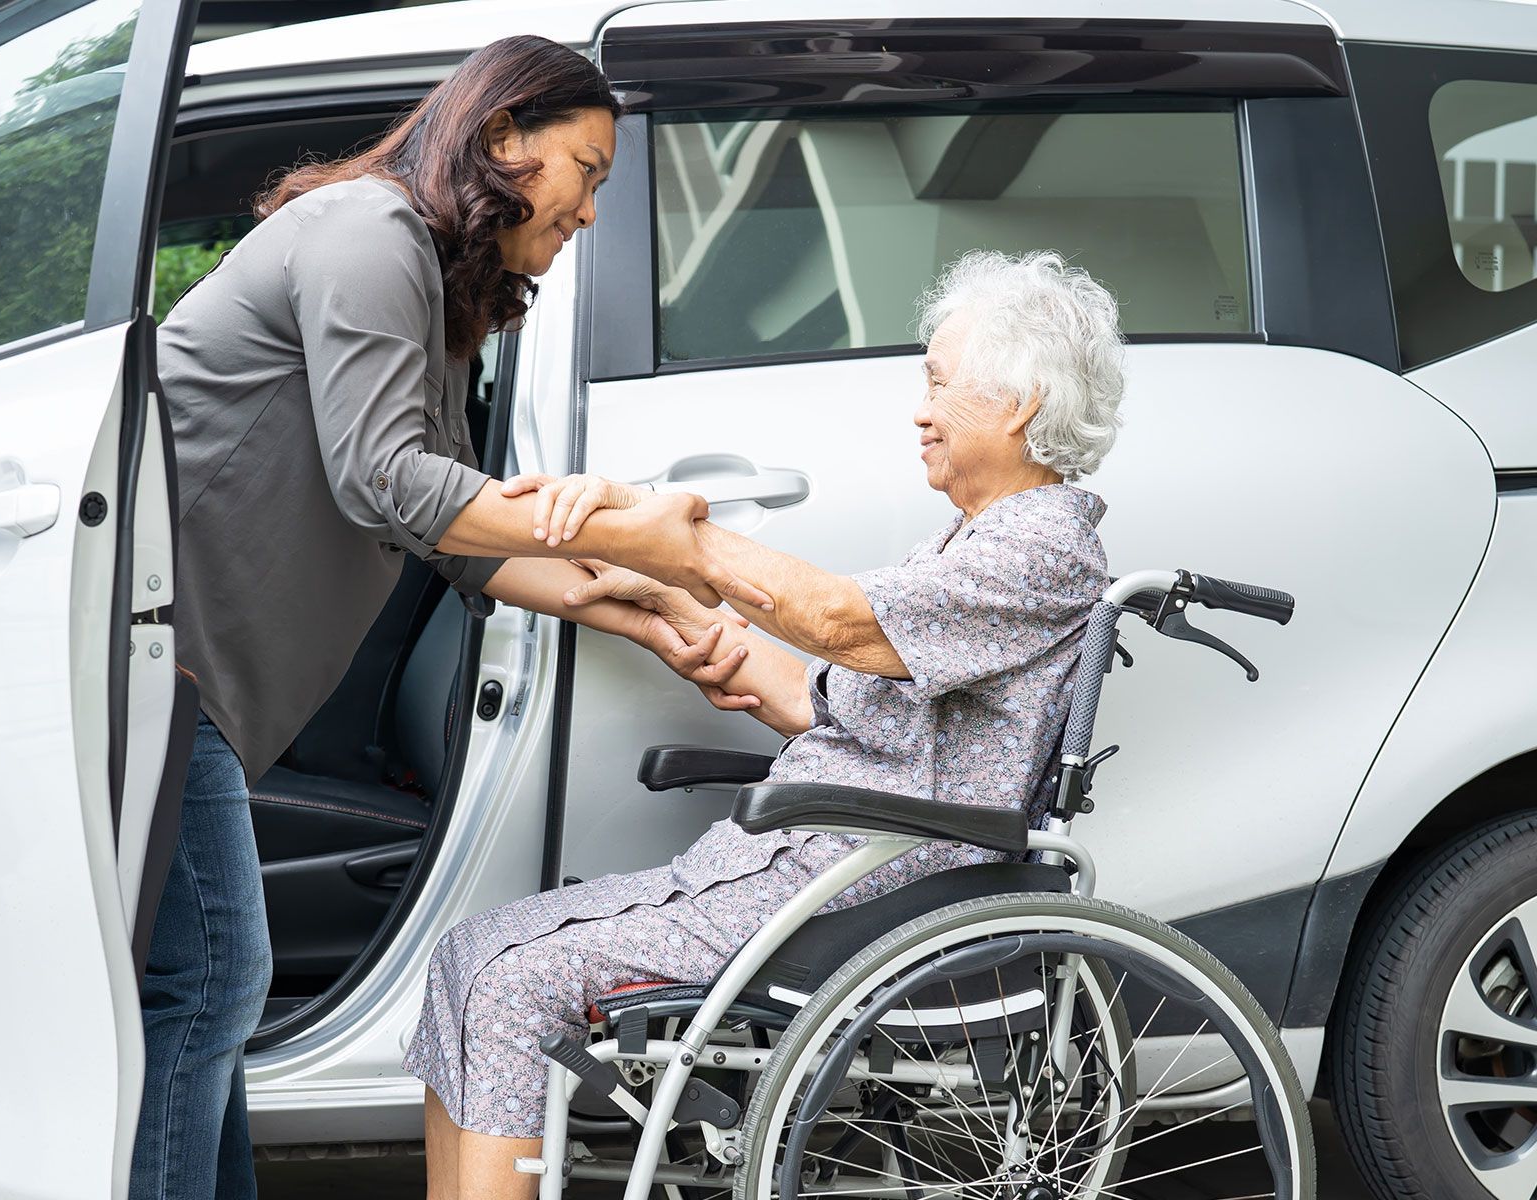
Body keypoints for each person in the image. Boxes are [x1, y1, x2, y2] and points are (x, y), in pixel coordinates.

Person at [138, 34, 763, 1200]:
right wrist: (628, 528)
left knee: (201, 994)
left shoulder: (416, 284)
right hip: (159, 664)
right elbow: (390, 482)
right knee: (210, 983)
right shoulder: (369, 236)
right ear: (501, 138)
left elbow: (455, 540)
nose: (587, 211)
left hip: (195, 680)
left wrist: (636, 607)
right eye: (587, 169)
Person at [402, 248, 1128, 1200]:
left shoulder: (1036, 549)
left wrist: (682, 533)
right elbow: (827, 696)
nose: (920, 408)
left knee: (507, 984)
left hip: (857, 887)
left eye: (939, 384)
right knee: (470, 956)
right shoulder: (984, 543)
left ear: (1019, 405)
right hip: (814, 867)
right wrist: (677, 601)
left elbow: (835, 621)